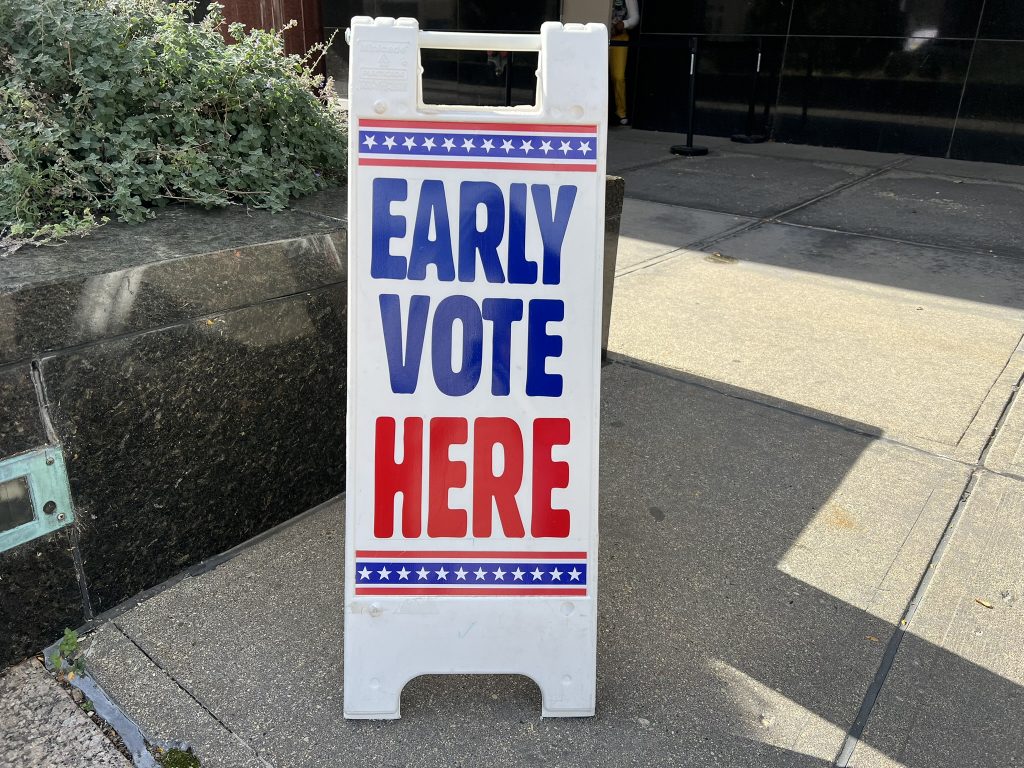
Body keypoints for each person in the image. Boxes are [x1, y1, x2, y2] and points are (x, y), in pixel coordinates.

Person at [609, 0, 639, 126]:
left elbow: (635, 17)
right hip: (598, 34)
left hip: (619, 36)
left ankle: (621, 112)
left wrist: (624, 23)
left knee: (618, 76)